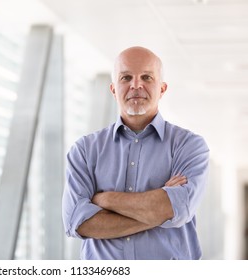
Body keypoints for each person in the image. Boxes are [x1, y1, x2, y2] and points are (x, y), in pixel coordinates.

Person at [62, 46, 209, 260]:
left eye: (147, 77)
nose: (136, 85)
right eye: (126, 77)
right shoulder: (84, 150)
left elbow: (178, 209)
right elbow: (78, 221)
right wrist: (157, 210)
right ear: (113, 89)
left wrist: (105, 200)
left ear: (162, 89)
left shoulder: (189, 146)